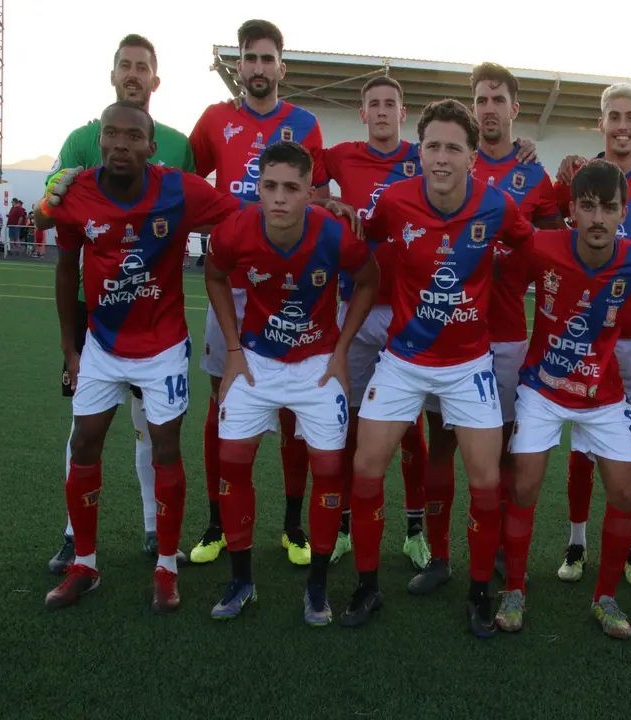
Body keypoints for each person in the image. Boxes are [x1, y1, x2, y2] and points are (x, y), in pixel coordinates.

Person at [339, 99, 534, 637]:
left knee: (487, 479)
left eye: (453, 148)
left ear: (473, 157)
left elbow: (524, 246)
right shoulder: (397, 201)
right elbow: (365, 233)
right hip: (403, 360)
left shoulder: (495, 206)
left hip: (469, 362)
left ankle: (477, 594)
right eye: (432, 147)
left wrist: (500, 287)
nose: (441, 158)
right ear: (417, 152)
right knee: (366, 466)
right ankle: (367, 587)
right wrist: (331, 210)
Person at [37, 100, 241, 611]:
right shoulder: (76, 192)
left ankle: (166, 567)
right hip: (102, 347)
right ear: (98, 139)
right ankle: (85, 562)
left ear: (152, 147)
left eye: (133, 136)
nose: (120, 144)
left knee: (164, 448)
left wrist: (311, 209)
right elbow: (66, 271)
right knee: (84, 443)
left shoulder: (178, 188)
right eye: (111, 134)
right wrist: (70, 347)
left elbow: (240, 214)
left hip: (163, 346)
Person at [204, 141, 379, 622]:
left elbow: (369, 280)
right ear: (258, 189)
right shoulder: (236, 230)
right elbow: (215, 276)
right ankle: (241, 582)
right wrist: (235, 350)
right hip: (257, 361)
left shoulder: (334, 235)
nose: (280, 198)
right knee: (232, 462)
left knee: (328, 468)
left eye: (292, 188)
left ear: (310, 193)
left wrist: (341, 350)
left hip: (317, 365)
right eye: (271, 187)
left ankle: (317, 588)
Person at [43, 33, 196, 574]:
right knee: (84, 429)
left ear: (156, 79)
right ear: (113, 75)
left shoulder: (178, 145)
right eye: (125, 66)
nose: (133, 74)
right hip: (96, 311)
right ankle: (72, 536)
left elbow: (191, 209)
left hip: (155, 316)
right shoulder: (82, 139)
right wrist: (69, 344)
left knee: (148, 426)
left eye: (143, 68)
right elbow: (53, 210)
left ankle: (156, 534)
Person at [495, 159, 631, 638]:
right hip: (542, 388)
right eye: (587, 207)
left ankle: (606, 597)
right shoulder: (542, 246)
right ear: (571, 209)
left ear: (623, 213)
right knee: (524, 487)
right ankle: (514, 590)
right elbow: (501, 278)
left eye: (608, 208)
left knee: (625, 491)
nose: (597, 218)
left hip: (603, 394)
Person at [412, 62, 563, 595]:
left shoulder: (534, 177)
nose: (489, 108)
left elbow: (551, 244)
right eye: (481, 100)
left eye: (498, 99)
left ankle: (494, 547)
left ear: (514, 108)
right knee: (440, 445)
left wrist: (569, 170)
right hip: (443, 332)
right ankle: (438, 556)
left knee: (496, 452)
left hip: (503, 335)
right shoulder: (456, 165)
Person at [188, 19, 330, 568]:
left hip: (292, 290)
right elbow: (187, 179)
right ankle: (217, 521)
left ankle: (292, 525)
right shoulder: (215, 120)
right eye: (250, 58)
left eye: (268, 59)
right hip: (232, 285)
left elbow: (318, 193)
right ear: (238, 66)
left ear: (281, 67)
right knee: (219, 404)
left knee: (294, 409)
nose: (259, 68)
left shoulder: (305, 124)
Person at [552, 83, 631, 590]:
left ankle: (629, 548)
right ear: (599, 123)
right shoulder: (576, 177)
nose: (622, 125)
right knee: (581, 445)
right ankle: (577, 542)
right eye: (613, 116)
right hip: (584, 336)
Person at [317, 75, 431, 570]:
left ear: (402, 112)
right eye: (374, 105)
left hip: (409, 309)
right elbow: (301, 185)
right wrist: (328, 203)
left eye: (390, 104)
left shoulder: (422, 155)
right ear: (362, 114)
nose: (382, 112)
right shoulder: (340, 155)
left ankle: (414, 530)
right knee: (352, 422)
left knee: (410, 427)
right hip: (355, 305)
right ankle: (343, 525)